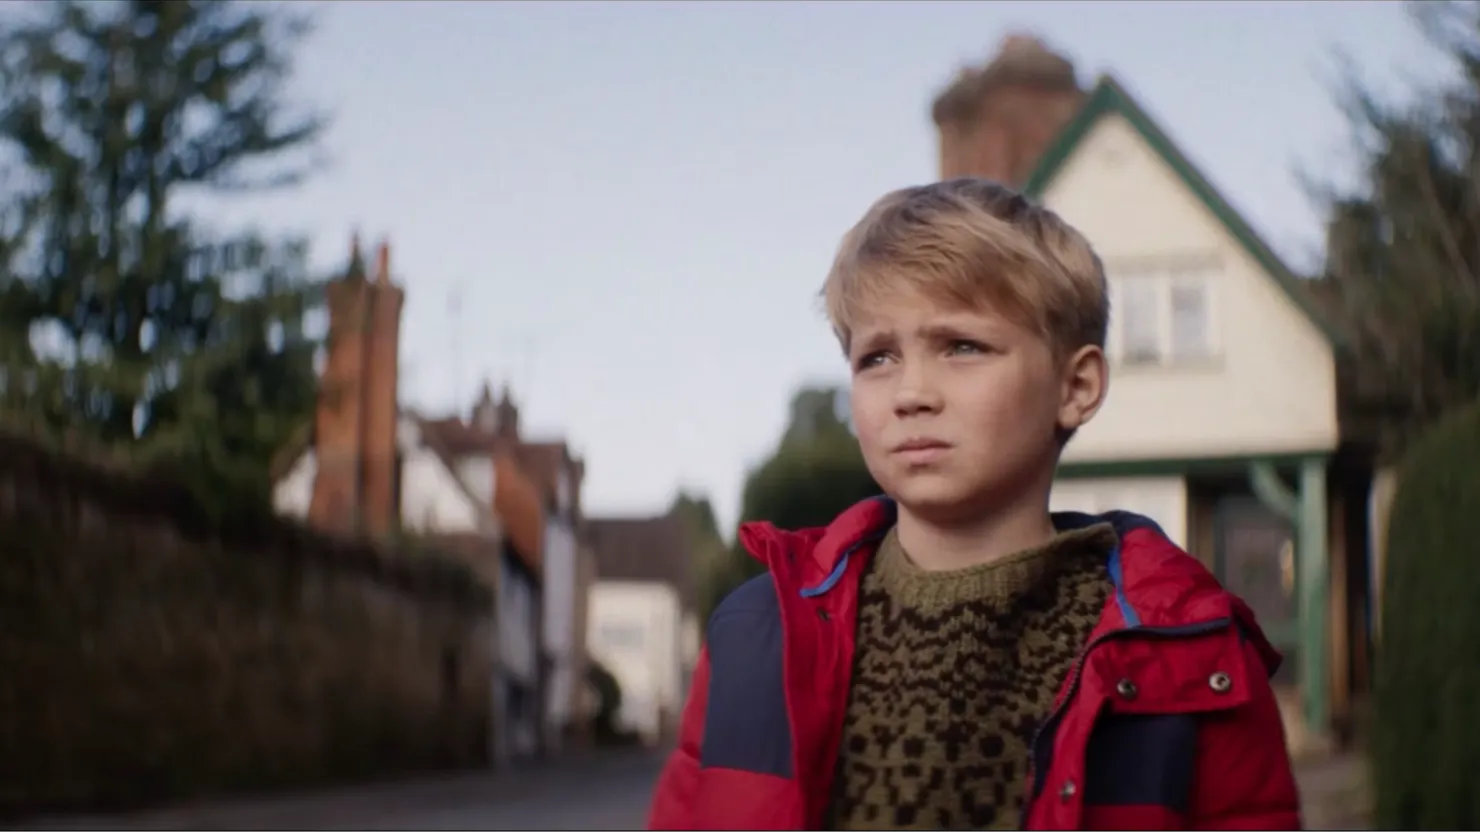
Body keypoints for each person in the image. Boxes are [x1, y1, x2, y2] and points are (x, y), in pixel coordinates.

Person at [647, 178, 1302, 831]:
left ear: (1075, 386)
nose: (911, 393)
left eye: (962, 347)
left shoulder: (1193, 653)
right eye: (877, 357)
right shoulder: (758, 633)